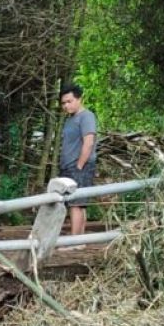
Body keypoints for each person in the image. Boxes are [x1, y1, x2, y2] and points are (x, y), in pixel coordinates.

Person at [59, 83, 98, 236]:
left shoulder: (86, 116)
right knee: (77, 204)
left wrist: (80, 165)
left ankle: (75, 241)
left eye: (69, 101)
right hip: (69, 166)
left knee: (77, 204)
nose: (66, 105)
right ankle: (79, 239)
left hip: (79, 166)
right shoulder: (70, 119)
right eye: (63, 103)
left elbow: (88, 142)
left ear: (79, 99)